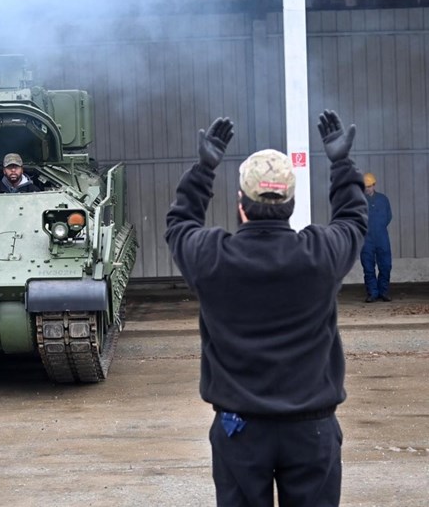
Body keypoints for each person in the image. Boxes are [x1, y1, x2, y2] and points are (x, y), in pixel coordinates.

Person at [164, 110, 367, 507]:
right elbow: (355, 219)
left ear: (242, 203)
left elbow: (178, 223)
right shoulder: (320, 255)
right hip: (312, 430)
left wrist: (204, 168)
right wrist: (342, 164)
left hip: (240, 428)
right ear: (291, 203)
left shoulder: (212, 258)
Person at [360, 172, 392, 302]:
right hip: (366, 239)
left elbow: (389, 216)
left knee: (385, 265)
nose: (367, 189)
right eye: (365, 186)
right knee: (368, 266)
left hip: (381, 237)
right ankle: (372, 293)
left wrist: (379, 227)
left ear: (374, 185)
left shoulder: (383, 199)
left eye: (369, 186)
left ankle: (383, 291)